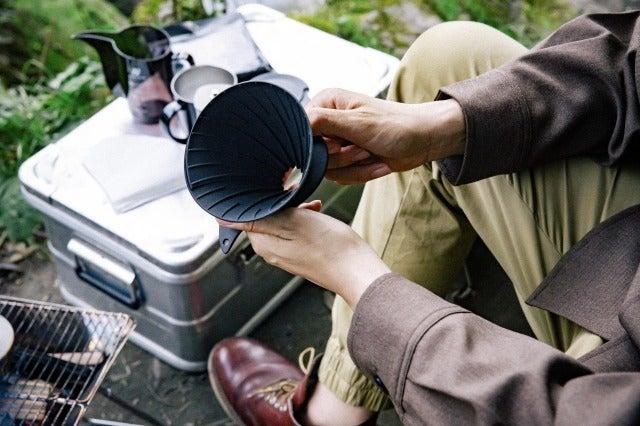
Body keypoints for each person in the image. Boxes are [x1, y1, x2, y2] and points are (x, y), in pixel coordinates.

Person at [208, 9, 640, 425]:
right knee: (448, 57)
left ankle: (341, 406)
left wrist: (358, 278)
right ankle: (341, 404)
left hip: (608, 380)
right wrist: (445, 124)